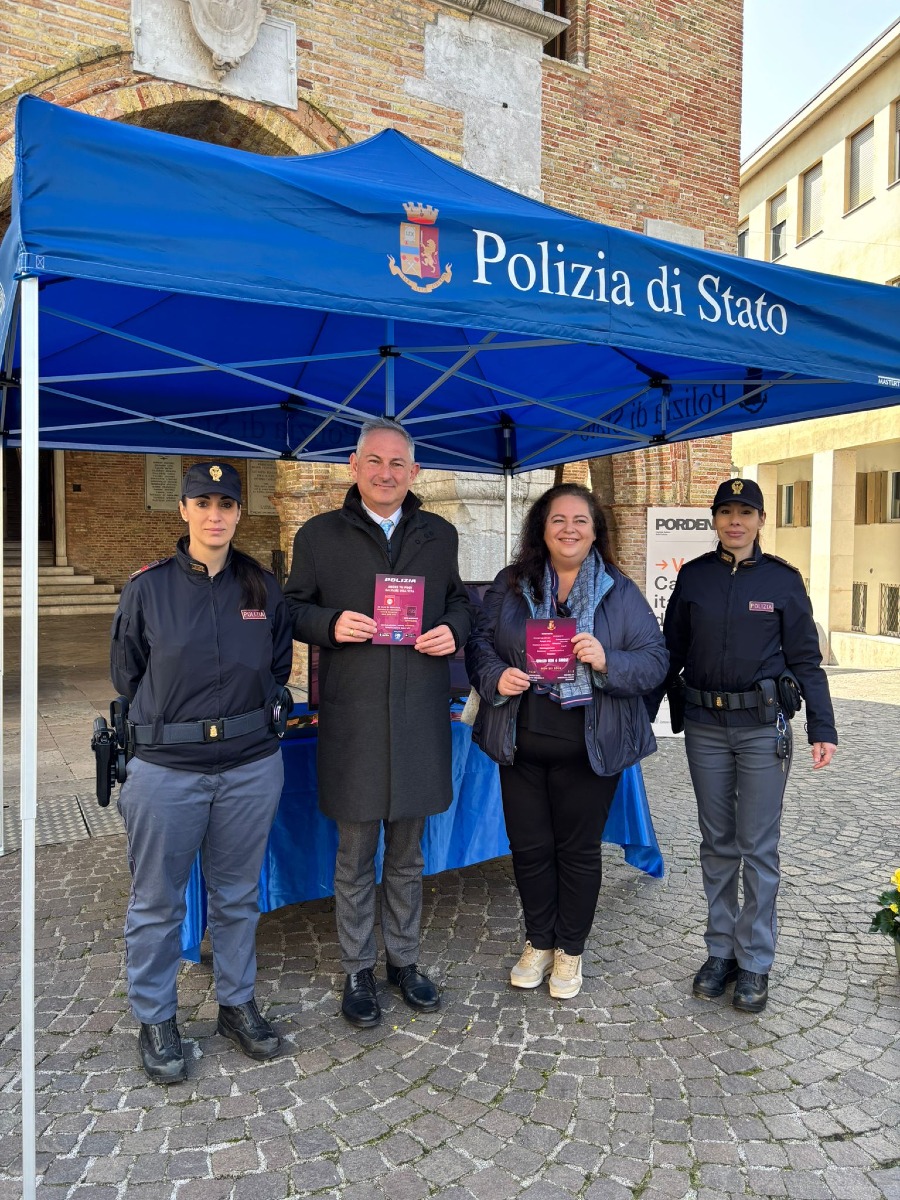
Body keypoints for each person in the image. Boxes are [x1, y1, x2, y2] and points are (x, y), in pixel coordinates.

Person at [284, 418, 471, 1028]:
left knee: (409, 856)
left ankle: (405, 961)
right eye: (375, 461)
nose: (386, 473)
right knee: (355, 854)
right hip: (356, 717)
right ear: (353, 465)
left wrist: (455, 631)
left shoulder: (439, 534)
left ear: (414, 473)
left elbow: (459, 601)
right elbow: (291, 608)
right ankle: (358, 970)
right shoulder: (318, 535)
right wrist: (329, 624)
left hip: (419, 715)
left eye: (398, 464)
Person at [111, 461, 294, 1083]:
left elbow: (275, 667)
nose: (215, 514)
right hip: (167, 769)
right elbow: (127, 676)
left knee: (239, 896)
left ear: (239, 514)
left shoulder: (263, 588)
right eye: (203, 502)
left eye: (226, 503)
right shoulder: (147, 589)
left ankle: (236, 1004)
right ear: (183, 510)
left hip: (248, 766)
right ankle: (157, 1016)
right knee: (157, 901)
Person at [465, 483, 668, 999]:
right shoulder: (511, 585)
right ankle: (538, 941)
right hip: (521, 743)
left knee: (576, 852)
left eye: (580, 520)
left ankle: (569, 951)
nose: (569, 529)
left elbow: (655, 661)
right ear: (542, 528)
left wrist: (606, 660)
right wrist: (496, 678)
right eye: (558, 520)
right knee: (530, 849)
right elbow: (480, 646)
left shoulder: (619, 591)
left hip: (588, 748)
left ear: (595, 530)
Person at [661, 477, 837, 1014]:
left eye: (746, 512)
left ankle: (755, 960)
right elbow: (669, 654)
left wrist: (823, 727)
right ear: (714, 520)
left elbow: (806, 658)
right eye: (726, 511)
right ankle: (721, 953)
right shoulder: (693, 579)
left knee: (758, 848)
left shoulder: (784, 582)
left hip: (763, 729)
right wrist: (638, 720)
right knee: (717, 844)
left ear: (761, 520)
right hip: (706, 728)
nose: (735, 521)